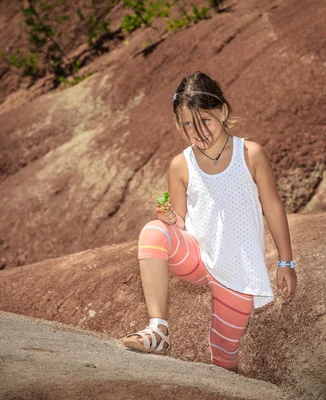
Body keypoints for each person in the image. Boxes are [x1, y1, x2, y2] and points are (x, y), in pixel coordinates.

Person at [122, 71, 297, 373]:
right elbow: (179, 224)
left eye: (205, 120)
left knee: (223, 356)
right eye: (188, 124)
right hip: (199, 259)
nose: (198, 131)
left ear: (224, 111)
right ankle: (158, 328)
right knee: (152, 232)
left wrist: (286, 263)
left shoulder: (250, 154)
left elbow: (272, 207)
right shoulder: (180, 165)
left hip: (237, 273)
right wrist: (168, 218)